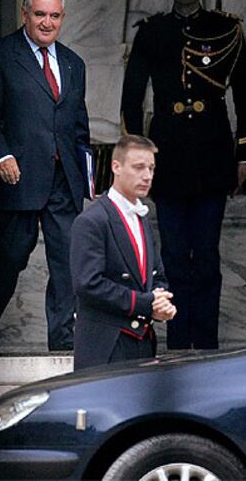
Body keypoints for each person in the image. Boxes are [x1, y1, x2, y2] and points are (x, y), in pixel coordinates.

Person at [121, 0, 246, 349]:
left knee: (208, 259)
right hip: (169, 161)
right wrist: (135, 161)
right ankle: (180, 346)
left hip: (214, 160)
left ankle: (207, 346)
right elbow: (131, 99)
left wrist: (244, 155)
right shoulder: (152, 31)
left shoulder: (226, 30)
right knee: (176, 258)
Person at [0, 0, 90, 352]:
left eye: (54, 16)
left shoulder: (73, 62)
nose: (47, 22)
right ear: (25, 15)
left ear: (62, 18)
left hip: (63, 180)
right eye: (40, 14)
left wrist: (87, 177)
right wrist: (2, 157)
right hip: (18, 177)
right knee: (10, 258)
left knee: (67, 262)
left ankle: (62, 342)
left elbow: (78, 124)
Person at [71, 135, 176, 371]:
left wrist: (161, 303)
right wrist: (145, 303)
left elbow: (156, 276)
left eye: (151, 168)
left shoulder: (141, 218)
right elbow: (88, 284)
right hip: (106, 346)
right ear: (116, 167)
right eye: (139, 167)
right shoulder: (92, 220)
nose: (147, 175)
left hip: (142, 342)